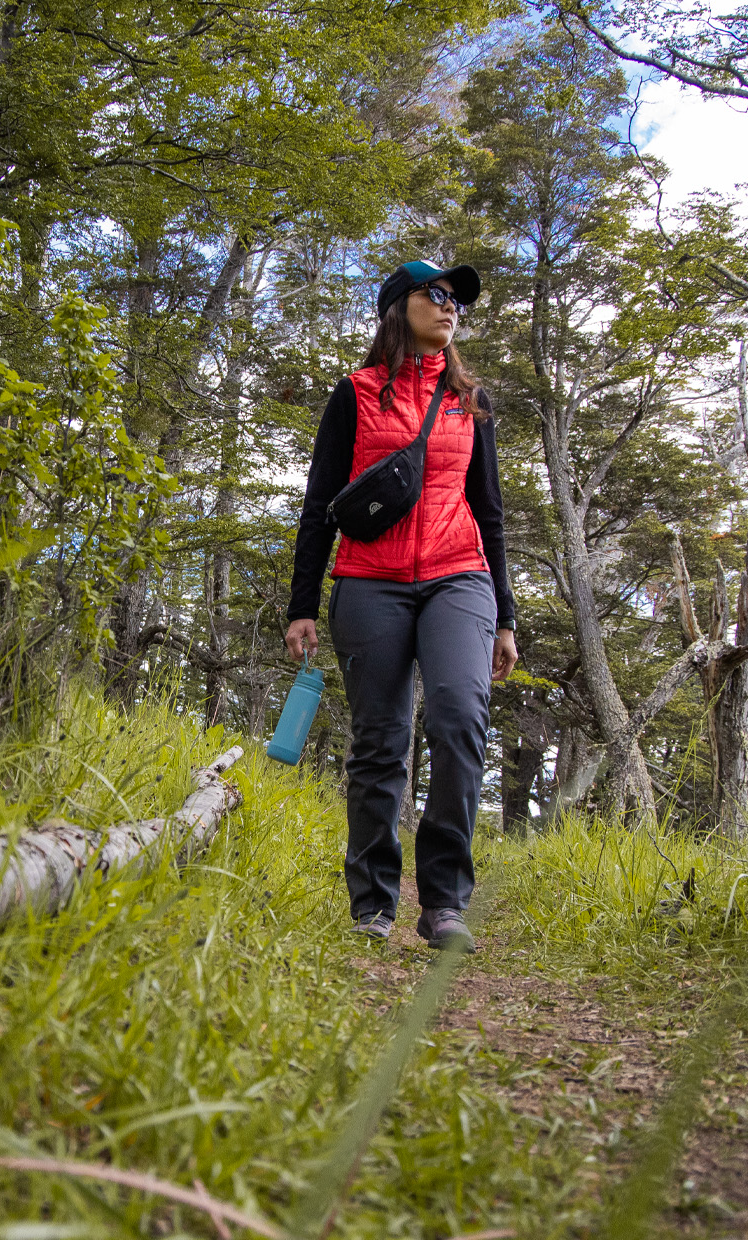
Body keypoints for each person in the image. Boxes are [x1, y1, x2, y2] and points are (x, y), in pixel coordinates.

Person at [285, 259, 518, 950]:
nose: (450, 308)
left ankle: (445, 902)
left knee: (458, 718)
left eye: (456, 301)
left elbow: (491, 511)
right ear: (398, 307)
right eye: (435, 295)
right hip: (370, 581)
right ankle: (373, 904)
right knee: (381, 744)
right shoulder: (355, 394)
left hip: (459, 576)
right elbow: (319, 504)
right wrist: (302, 603)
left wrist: (505, 614)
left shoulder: (469, 400)